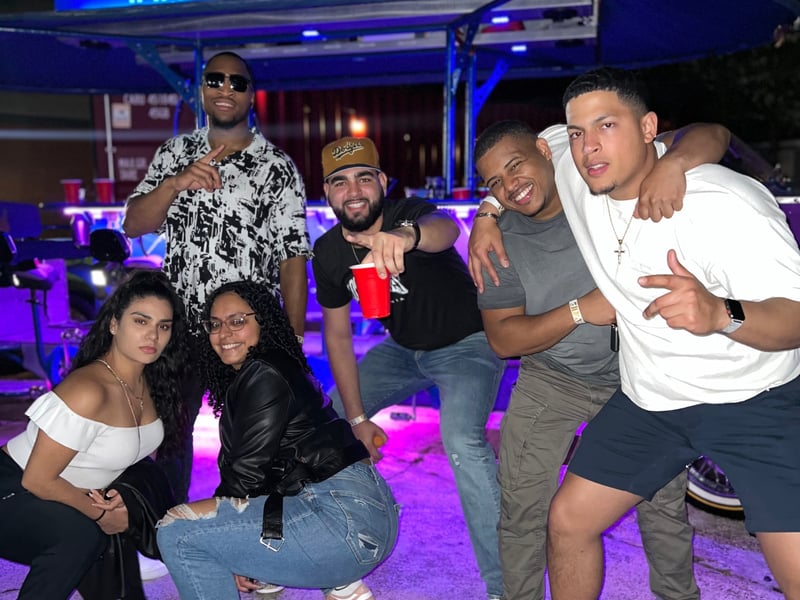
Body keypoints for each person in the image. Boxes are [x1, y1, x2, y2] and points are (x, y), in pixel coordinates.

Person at [540, 67, 800, 599]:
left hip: (756, 399)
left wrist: (722, 314)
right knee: (568, 521)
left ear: (648, 128)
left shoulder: (726, 201)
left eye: (607, 125)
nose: (589, 147)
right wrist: (490, 214)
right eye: (577, 132)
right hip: (652, 401)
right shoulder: (574, 166)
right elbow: (524, 156)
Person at [467, 118, 740, 600]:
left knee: (663, 508)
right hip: (552, 381)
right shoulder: (497, 242)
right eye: (494, 183)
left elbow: (713, 134)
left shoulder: (600, 186)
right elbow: (503, 340)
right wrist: (581, 310)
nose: (510, 186)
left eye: (515, 165)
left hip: (639, 377)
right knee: (522, 512)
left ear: (545, 150)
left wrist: (672, 165)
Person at [311, 136, 506, 600]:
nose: (353, 190)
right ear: (327, 193)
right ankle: (348, 545)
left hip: (467, 344)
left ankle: (508, 586)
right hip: (402, 351)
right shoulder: (329, 252)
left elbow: (446, 229)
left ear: (382, 182)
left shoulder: (409, 214)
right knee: (328, 424)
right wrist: (357, 419)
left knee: (463, 443)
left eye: (364, 178)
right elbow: (337, 336)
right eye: (340, 182)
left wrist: (405, 238)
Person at [122, 51, 311, 510]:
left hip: (244, 330)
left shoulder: (276, 166)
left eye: (237, 82)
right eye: (215, 79)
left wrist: (292, 339)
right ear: (202, 89)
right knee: (168, 434)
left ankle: (254, 528)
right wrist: (175, 184)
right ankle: (167, 528)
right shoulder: (174, 154)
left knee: (255, 436)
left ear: (251, 94)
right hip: (181, 324)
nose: (226, 89)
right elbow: (134, 223)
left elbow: (292, 257)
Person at [155, 280, 398, 600]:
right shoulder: (273, 366)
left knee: (177, 532)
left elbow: (246, 474)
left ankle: (334, 571)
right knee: (219, 527)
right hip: (362, 518)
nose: (223, 333)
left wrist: (225, 546)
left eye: (237, 321)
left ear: (263, 322)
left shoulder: (264, 373)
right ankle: (339, 582)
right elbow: (267, 472)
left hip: (344, 525)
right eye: (214, 324)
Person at [0, 269, 189, 600]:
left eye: (163, 326)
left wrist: (122, 505)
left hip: (66, 486)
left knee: (144, 485)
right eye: (140, 321)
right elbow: (38, 480)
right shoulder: (89, 389)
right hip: (14, 488)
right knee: (81, 535)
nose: (153, 336)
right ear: (114, 324)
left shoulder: (152, 381)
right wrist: (102, 514)